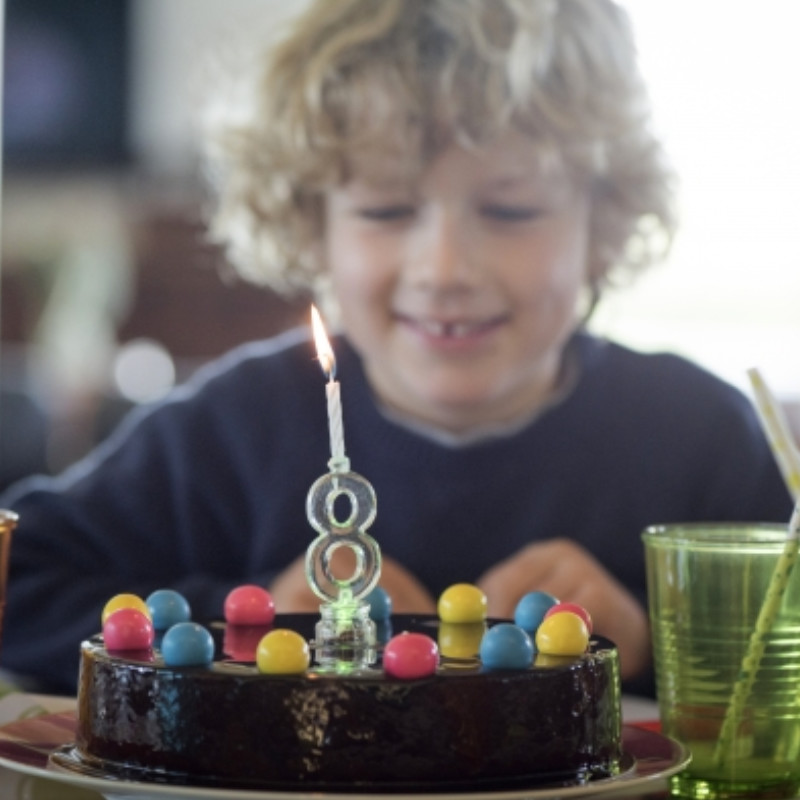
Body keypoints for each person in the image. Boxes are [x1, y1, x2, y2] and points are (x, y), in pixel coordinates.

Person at [0, 0, 791, 697]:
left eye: (511, 210)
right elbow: (20, 581)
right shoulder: (231, 429)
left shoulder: (700, 435)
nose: (444, 270)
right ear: (312, 225)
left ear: (605, 223)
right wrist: (234, 623)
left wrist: (661, 641)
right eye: (384, 209)